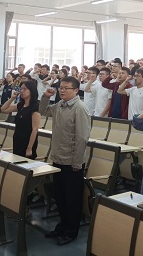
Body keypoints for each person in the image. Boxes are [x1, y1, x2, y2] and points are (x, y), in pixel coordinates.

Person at [40, 77, 91, 246]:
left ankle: (71, 231)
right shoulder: (60, 105)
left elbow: (82, 138)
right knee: (60, 197)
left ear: (76, 90)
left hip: (72, 162)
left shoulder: (79, 108)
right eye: (60, 87)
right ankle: (62, 226)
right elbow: (43, 111)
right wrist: (45, 97)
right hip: (58, 159)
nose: (62, 90)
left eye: (66, 88)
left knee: (72, 199)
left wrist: (77, 162)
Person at [1, 80, 41, 158]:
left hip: (28, 140)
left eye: (24, 89)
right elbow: (3, 109)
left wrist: (29, 148)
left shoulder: (34, 108)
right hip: (17, 138)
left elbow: (35, 130)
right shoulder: (20, 105)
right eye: (21, 89)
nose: (22, 91)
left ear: (31, 90)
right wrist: (12, 98)